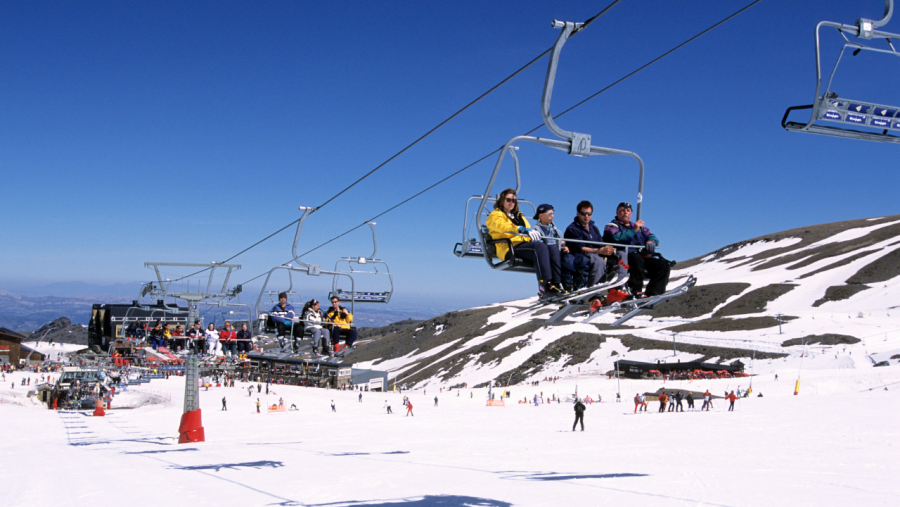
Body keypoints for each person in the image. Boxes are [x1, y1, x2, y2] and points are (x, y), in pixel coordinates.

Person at [485, 188, 562, 297]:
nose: (511, 203)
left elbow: (527, 228)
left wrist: (530, 232)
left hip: (522, 245)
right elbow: (500, 226)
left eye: (514, 200)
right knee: (539, 247)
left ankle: (556, 284)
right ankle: (544, 286)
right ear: (502, 200)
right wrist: (519, 229)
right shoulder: (495, 215)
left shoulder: (519, 216)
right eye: (508, 200)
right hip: (508, 247)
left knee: (552, 248)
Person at [603, 201, 670, 297]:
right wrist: (633, 230)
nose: (625, 212)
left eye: (628, 210)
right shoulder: (612, 226)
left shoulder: (639, 228)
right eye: (622, 210)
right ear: (617, 212)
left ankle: (653, 292)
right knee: (636, 260)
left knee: (662, 265)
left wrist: (651, 241)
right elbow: (616, 237)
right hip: (622, 256)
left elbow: (651, 235)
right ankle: (635, 290)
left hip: (640, 255)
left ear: (631, 213)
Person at [565, 200, 627, 290]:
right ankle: (594, 294)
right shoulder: (572, 228)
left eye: (589, 214)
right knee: (598, 261)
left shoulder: (594, 228)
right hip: (582, 254)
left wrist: (608, 249)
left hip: (596, 252)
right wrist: (599, 251)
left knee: (622, 255)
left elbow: (600, 243)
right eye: (583, 213)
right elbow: (580, 248)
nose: (587, 216)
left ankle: (617, 288)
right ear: (578, 213)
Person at [532, 204, 588, 292]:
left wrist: (565, 247)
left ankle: (580, 283)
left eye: (553, 213)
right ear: (541, 215)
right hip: (549, 254)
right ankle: (563, 284)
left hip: (559, 252)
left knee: (581, 259)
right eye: (549, 213)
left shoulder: (557, 231)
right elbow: (539, 244)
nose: (552, 216)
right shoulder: (536, 230)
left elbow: (563, 244)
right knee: (567, 259)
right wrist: (557, 243)